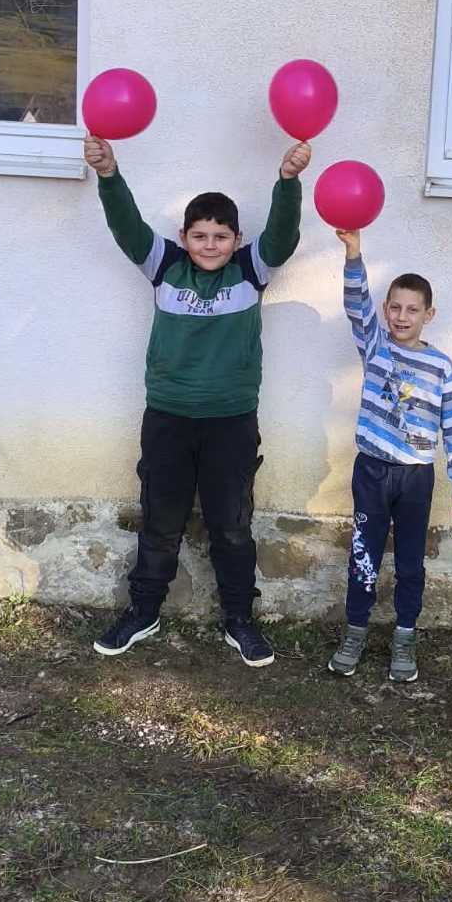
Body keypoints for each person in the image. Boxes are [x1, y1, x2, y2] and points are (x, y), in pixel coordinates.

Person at [84, 131, 310, 666]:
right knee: (161, 523)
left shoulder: (251, 270)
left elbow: (283, 236)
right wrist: (109, 174)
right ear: (183, 238)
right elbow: (126, 227)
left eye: (221, 236)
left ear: (237, 239)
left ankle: (240, 620)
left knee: (231, 526)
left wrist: (288, 182)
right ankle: (143, 611)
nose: (210, 245)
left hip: (231, 421)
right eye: (200, 235)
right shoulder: (164, 265)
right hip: (167, 418)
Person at [328, 229, 452, 682]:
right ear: (385, 309)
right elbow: (356, 304)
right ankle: (355, 632)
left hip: (416, 478)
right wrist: (354, 253)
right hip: (371, 471)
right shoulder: (375, 347)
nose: (401, 316)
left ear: (429, 315)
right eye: (394, 307)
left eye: (412, 309)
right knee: (364, 556)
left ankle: (405, 637)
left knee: (410, 562)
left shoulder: (441, 366)